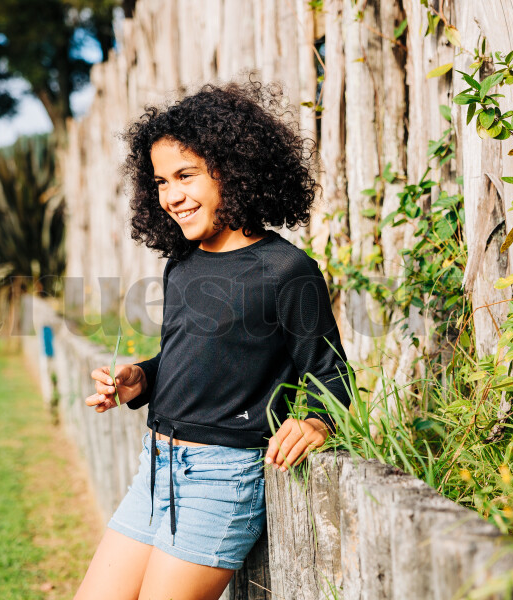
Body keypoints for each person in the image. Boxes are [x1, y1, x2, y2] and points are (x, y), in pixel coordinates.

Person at [74, 79, 354, 600]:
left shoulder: (285, 269)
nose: (172, 196)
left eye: (186, 176)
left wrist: (315, 419)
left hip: (221, 480)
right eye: (160, 182)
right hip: (155, 471)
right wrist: (140, 378)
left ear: (232, 170)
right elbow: (190, 359)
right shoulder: (182, 264)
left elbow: (331, 371)